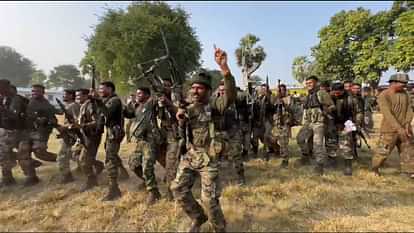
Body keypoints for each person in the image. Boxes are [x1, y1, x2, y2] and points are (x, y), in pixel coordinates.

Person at [171, 47, 235, 232]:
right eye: (193, 88)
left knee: (209, 199)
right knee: (178, 189)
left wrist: (224, 68)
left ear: (208, 90)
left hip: (209, 157)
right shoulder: (189, 106)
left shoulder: (215, 104)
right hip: (191, 155)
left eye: (199, 88)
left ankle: (219, 228)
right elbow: (180, 115)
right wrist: (179, 114)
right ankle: (198, 217)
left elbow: (230, 96)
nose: (195, 91)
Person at [124, 86, 164, 205]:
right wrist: (127, 105)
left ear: (147, 95)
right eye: (137, 94)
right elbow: (128, 115)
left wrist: (155, 85)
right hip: (140, 141)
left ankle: (153, 191)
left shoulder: (150, 103)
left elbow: (159, 95)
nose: (137, 96)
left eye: (140, 94)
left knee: (147, 166)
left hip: (150, 140)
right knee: (133, 163)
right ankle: (148, 181)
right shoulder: (137, 106)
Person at [372, 74, 414, 177]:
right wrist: (398, 128)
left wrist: (408, 123)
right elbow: (387, 114)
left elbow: (410, 109)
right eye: (402, 83)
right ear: (393, 82)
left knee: (408, 150)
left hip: (405, 129)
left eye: (406, 83)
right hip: (389, 130)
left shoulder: (406, 94)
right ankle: (375, 169)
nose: (405, 85)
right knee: (383, 151)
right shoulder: (384, 95)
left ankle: (408, 172)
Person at [19, 84, 59, 186]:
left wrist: (45, 121)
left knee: (40, 152)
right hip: (26, 132)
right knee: (23, 154)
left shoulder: (47, 105)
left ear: (43, 92)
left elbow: (54, 119)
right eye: (32, 91)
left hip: (40, 132)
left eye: (37, 91)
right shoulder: (27, 102)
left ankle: (61, 159)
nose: (34, 93)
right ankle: (31, 177)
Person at [93, 81, 126, 201]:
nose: (100, 91)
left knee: (110, 159)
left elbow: (107, 114)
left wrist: (97, 100)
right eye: (99, 89)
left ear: (110, 89)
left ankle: (114, 189)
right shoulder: (107, 100)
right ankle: (123, 173)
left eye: (102, 89)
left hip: (115, 133)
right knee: (112, 155)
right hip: (110, 133)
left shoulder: (115, 100)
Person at [296, 76, 335, 175]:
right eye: (307, 83)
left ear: (316, 83)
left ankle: (319, 165)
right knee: (300, 138)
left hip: (319, 123)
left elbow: (332, 105)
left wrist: (326, 110)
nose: (308, 84)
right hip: (308, 122)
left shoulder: (321, 93)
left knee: (317, 144)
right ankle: (305, 155)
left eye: (310, 82)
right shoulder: (308, 95)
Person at [72, 89, 105, 192]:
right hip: (84, 136)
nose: (77, 98)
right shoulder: (83, 105)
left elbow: (97, 122)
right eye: (76, 96)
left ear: (86, 96)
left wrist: (82, 125)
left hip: (92, 136)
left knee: (84, 160)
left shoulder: (91, 105)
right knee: (75, 154)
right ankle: (98, 165)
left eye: (79, 96)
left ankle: (91, 180)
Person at [266, 83, 295, 168]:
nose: (280, 92)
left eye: (282, 90)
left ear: (285, 91)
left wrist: (283, 103)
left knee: (283, 144)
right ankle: (277, 150)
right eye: (278, 90)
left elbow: (292, 110)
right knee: (270, 139)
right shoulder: (275, 99)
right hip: (276, 124)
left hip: (284, 124)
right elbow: (271, 108)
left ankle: (285, 160)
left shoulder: (289, 99)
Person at [56, 89, 80, 184]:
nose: (63, 96)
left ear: (71, 96)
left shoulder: (74, 106)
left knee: (62, 156)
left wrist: (64, 128)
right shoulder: (68, 106)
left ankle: (66, 176)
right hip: (67, 134)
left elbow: (77, 122)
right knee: (71, 155)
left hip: (72, 134)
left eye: (65, 95)